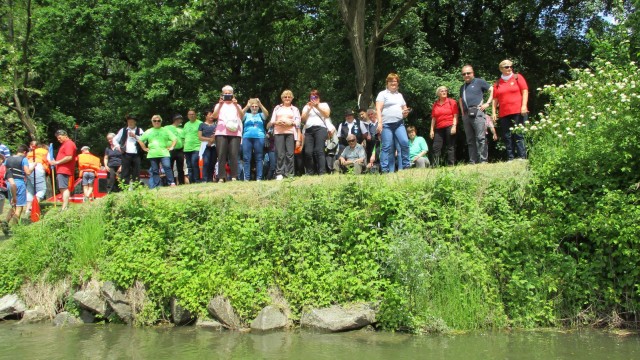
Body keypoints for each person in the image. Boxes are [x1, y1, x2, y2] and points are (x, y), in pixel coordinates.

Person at [492, 59, 529, 160]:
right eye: (506, 67)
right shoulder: (497, 83)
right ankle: (510, 158)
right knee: (507, 136)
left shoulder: (517, 77)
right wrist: (494, 112)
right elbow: (495, 99)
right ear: (501, 69)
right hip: (504, 112)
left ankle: (522, 156)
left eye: (511, 66)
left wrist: (524, 106)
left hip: (518, 110)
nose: (509, 68)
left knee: (519, 133)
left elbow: (525, 91)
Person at [376, 73, 411, 173]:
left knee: (404, 142)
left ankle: (406, 166)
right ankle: (385, 169)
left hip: (399, 123)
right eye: (391, 81)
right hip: (386, 124)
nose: (393, 83)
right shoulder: (382, 94)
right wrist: (380, 123)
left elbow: (404, 109)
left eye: (395, 82)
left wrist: (405, 112)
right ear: (387, 83)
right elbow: (378, 109)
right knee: (386, 146)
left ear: (397, 83)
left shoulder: (399, 95)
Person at [459, 65, 494, 164]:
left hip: (477, 112)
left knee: (480, 137)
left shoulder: (479, 82)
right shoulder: (463, 87)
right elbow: (460, 99)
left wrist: (487, 103)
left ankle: (483, 160)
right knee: (470, 139)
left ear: (473, 73)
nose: (466, 75)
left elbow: (492, 89)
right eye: (464, 74)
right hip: (466, 114)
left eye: (468, 73)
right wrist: (462, 112)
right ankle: (472, 160)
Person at [268, 90, 301, 180]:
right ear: (282, 98)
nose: (287, 98)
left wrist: (291, 123)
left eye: (289, 97)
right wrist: (277, 122)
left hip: (290, 133)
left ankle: (289, 173)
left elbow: (298, 122)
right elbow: (272, 121)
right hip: (278, 132)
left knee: (290, 154)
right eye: (285, 97)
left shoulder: (294, 109)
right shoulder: (277, 108)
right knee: (280, 154)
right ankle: (279, 173)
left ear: (292, 98)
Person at [212, 85, 243, 182]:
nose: (227, 95)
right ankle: (221, 177)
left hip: (235, 132)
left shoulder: (237, 105)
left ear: (233, 94)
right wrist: (220, 105)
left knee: (234, 154)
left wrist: (236, 105)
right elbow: (214, 116)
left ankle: (234, 176)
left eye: (229, 93)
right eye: (225, 93)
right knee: (221, 155)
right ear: (222, 94)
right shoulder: (219, 105)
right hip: (221, 132)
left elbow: (242, 116)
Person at [138, 115, 177, 188]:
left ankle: (171, 182)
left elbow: (174, 139)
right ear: (152, 122)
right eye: (155, 121)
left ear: (161, 122)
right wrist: (144, 148)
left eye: (158, 121)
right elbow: (140, 140)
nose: (157, 122)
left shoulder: (165, 130)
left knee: (167, 167)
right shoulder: (149, 131)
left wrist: (172, 147)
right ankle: (157, 185)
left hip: (164, 152)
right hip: (153, 153)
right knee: (155, 170)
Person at [301, 90, 333, 175]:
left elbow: (327, 115)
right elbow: (303, 119)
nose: (313, 98)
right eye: (312, 97)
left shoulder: (324, 105)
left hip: (320, 129)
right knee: (308, 151)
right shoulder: (307, 106)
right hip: (309, 130)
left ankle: (322, 171)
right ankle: (310, 172)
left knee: (319, 150)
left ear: (319, 97)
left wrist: (317, 106)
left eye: (315, 96)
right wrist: (309, 109)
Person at [4, 145, 36, 227]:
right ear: (24, 152)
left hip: (9, 183)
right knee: (19, 207)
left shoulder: (8, 159)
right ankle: (15, 227)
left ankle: (6, 222)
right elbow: (28, 172)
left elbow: (5, 168)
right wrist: (33, 166)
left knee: (13, 205)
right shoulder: (24, 159)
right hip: (19, 183)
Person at [241, 98, 269, 181]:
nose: (254, 107)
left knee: (259, 158)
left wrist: (260, 104)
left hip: (259, 137)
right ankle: (247, 178)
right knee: (246, 158)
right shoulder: (246, 115)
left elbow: (266, 114)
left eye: (256, 106)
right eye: (252, 106)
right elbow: (240, 115)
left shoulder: (260, 115)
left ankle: (259, 178)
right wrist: (247, 106)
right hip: (247, 137)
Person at [430, 86, 458, 166]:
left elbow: (455, 115)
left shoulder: (452, 102)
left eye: (445, 90)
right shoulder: (435, 104)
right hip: (439, 128)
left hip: (450, 125)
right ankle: (435, 165)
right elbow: (433, 118)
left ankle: (451, 165)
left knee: (450, 146)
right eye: (442, 91)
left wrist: (454, 126)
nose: (444, 92)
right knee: (436, 147)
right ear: (438, 93)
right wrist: (431, 130)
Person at [50, 130, 77, 210]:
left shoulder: (69, 144)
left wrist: (57, 162)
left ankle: (64, 207)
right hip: (62, 170)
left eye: (59, 137)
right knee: (62, 187)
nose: (58, 139)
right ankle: (64, 206)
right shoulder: (65, 144)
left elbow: (69, 157)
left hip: (64, 170)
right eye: (57, 138)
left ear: (65, 135)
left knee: (64, 188)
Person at [114, 114, 144, 185]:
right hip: (126, 153)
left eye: (132, 121)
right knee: (125, 172)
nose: (130, 123)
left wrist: (135, 136)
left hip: (136, 154)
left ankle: (136, 187)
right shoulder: (123, 130)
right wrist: (118, 147)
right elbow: (115, 139)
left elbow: (144, 140)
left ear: (135, 122)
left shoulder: (139, 130)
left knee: (136, 172)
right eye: (128, 121)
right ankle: (125, 188)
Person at [165, 114, 186, 185]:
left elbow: (184, 139)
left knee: (180, 168)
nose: (181, 121)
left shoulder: (182, 129)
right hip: (170, 150)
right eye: (180, 119)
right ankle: (171, 182)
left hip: (180, 150)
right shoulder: (167, 128)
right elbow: (164, 137)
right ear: (176, 120)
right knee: (169, 167)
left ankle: (181, 183)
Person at [183, 109, 202, 183]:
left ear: (195, 115)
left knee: (194, 164)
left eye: (193, 114)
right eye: (190, 114)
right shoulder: (186, 124)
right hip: (187, 148)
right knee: (189, 166)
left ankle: (197, 180)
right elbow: (184, 136)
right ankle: (191, 181)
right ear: (188, 116)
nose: (191, 115)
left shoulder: (200, 123)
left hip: (196, 147)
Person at [198, 111, 217, 182]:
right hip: (205, 145)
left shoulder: (216, 125)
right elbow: (200, 137)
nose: (212, 116)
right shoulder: (202, 125)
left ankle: (210, 179)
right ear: (206, 116)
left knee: (212, 162)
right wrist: (210, 139)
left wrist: (213, 140)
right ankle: (204, 179)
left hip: (214, 145)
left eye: (212, 115)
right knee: (206, 162)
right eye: (210, 115)